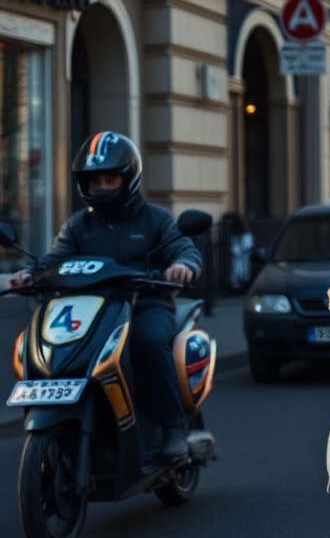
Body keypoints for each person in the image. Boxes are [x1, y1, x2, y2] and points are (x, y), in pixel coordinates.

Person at [8, 132, 203, 461]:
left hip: (145, 305)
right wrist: (30, 273)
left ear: (129, 178)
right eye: (94, 180)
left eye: (110, 179)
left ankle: (172, 428)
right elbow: (55, 259)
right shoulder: (78, 225)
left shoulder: (156, 219)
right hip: (90, 310)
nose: (101, 187)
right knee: (48, 346)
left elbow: (183, 248)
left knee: (148, 341)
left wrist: (184, 265)